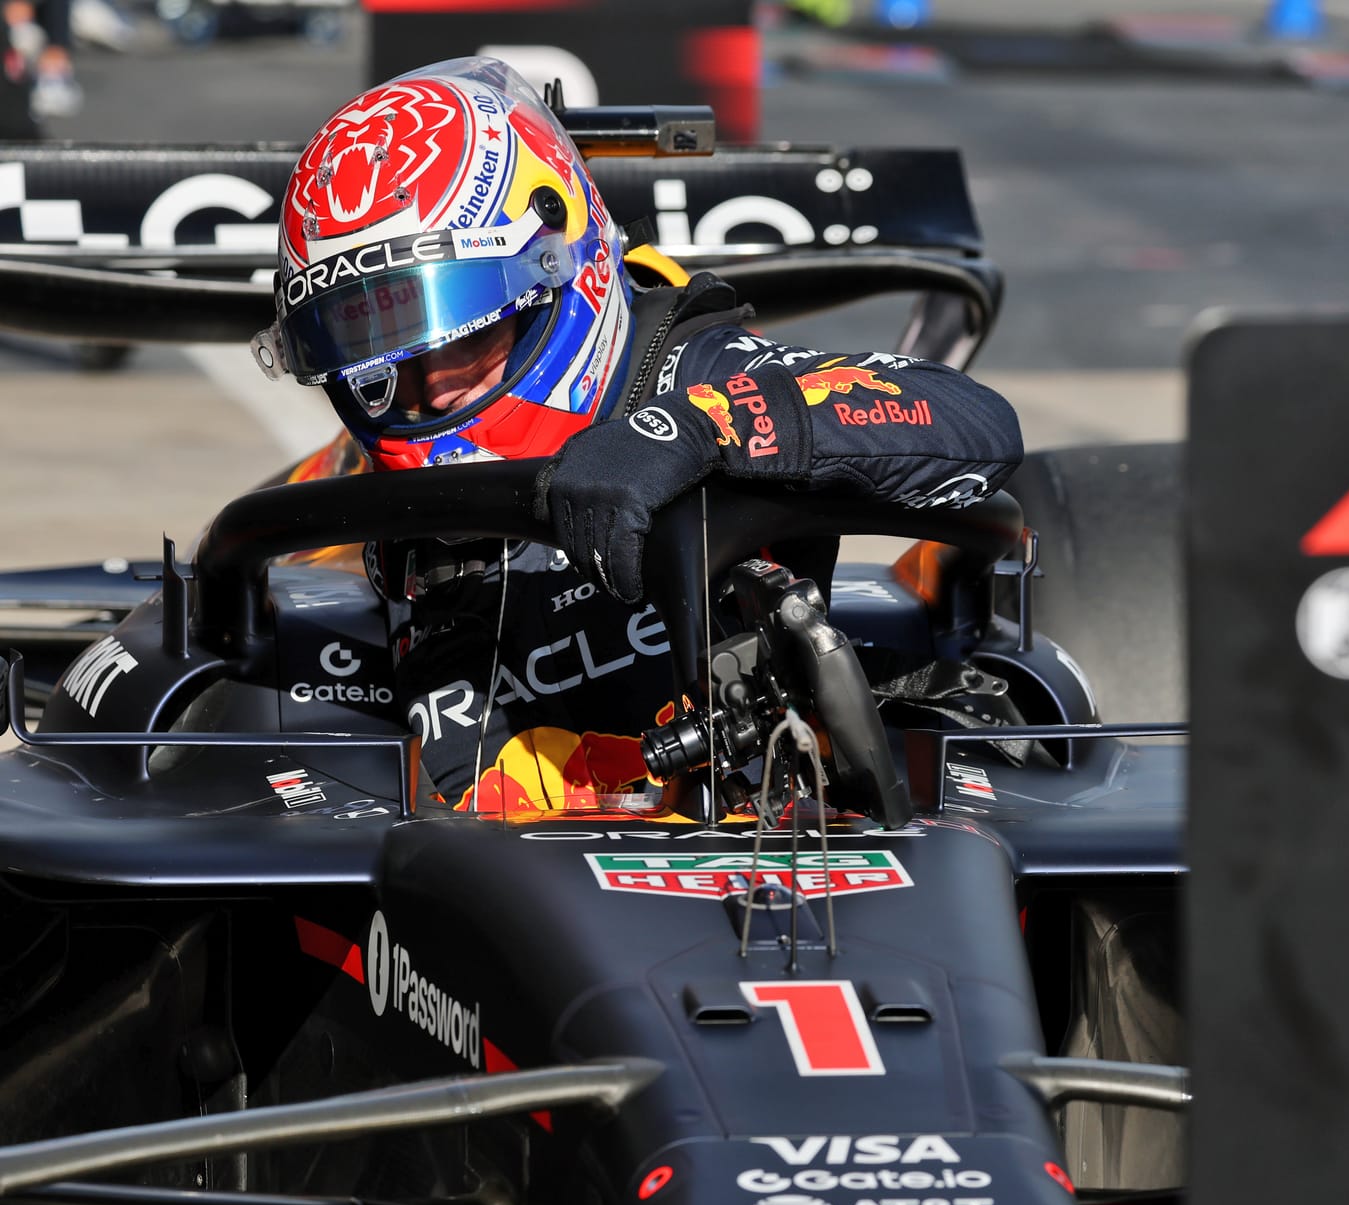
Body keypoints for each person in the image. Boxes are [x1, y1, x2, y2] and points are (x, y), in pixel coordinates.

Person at [255, 56, 1023, 812]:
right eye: (376, 364)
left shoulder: (700, 372)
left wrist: (689, 430)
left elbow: (978, 423)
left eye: (463, 340)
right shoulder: (364, 477)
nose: (427, 393)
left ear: (562, 265)